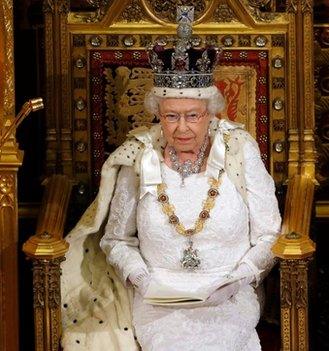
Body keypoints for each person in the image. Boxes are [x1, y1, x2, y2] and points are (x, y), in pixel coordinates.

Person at [60, 7, 280, 350]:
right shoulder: (139, 156)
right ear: (157, 115)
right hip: (157, 300)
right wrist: (142, 279)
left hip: (227, 295)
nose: (181, 128)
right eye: (170, 116)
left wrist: (241, 279)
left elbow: (269, 233)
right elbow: (116, 240)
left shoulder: (239, 148)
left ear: (211, 112)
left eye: (192, 116)